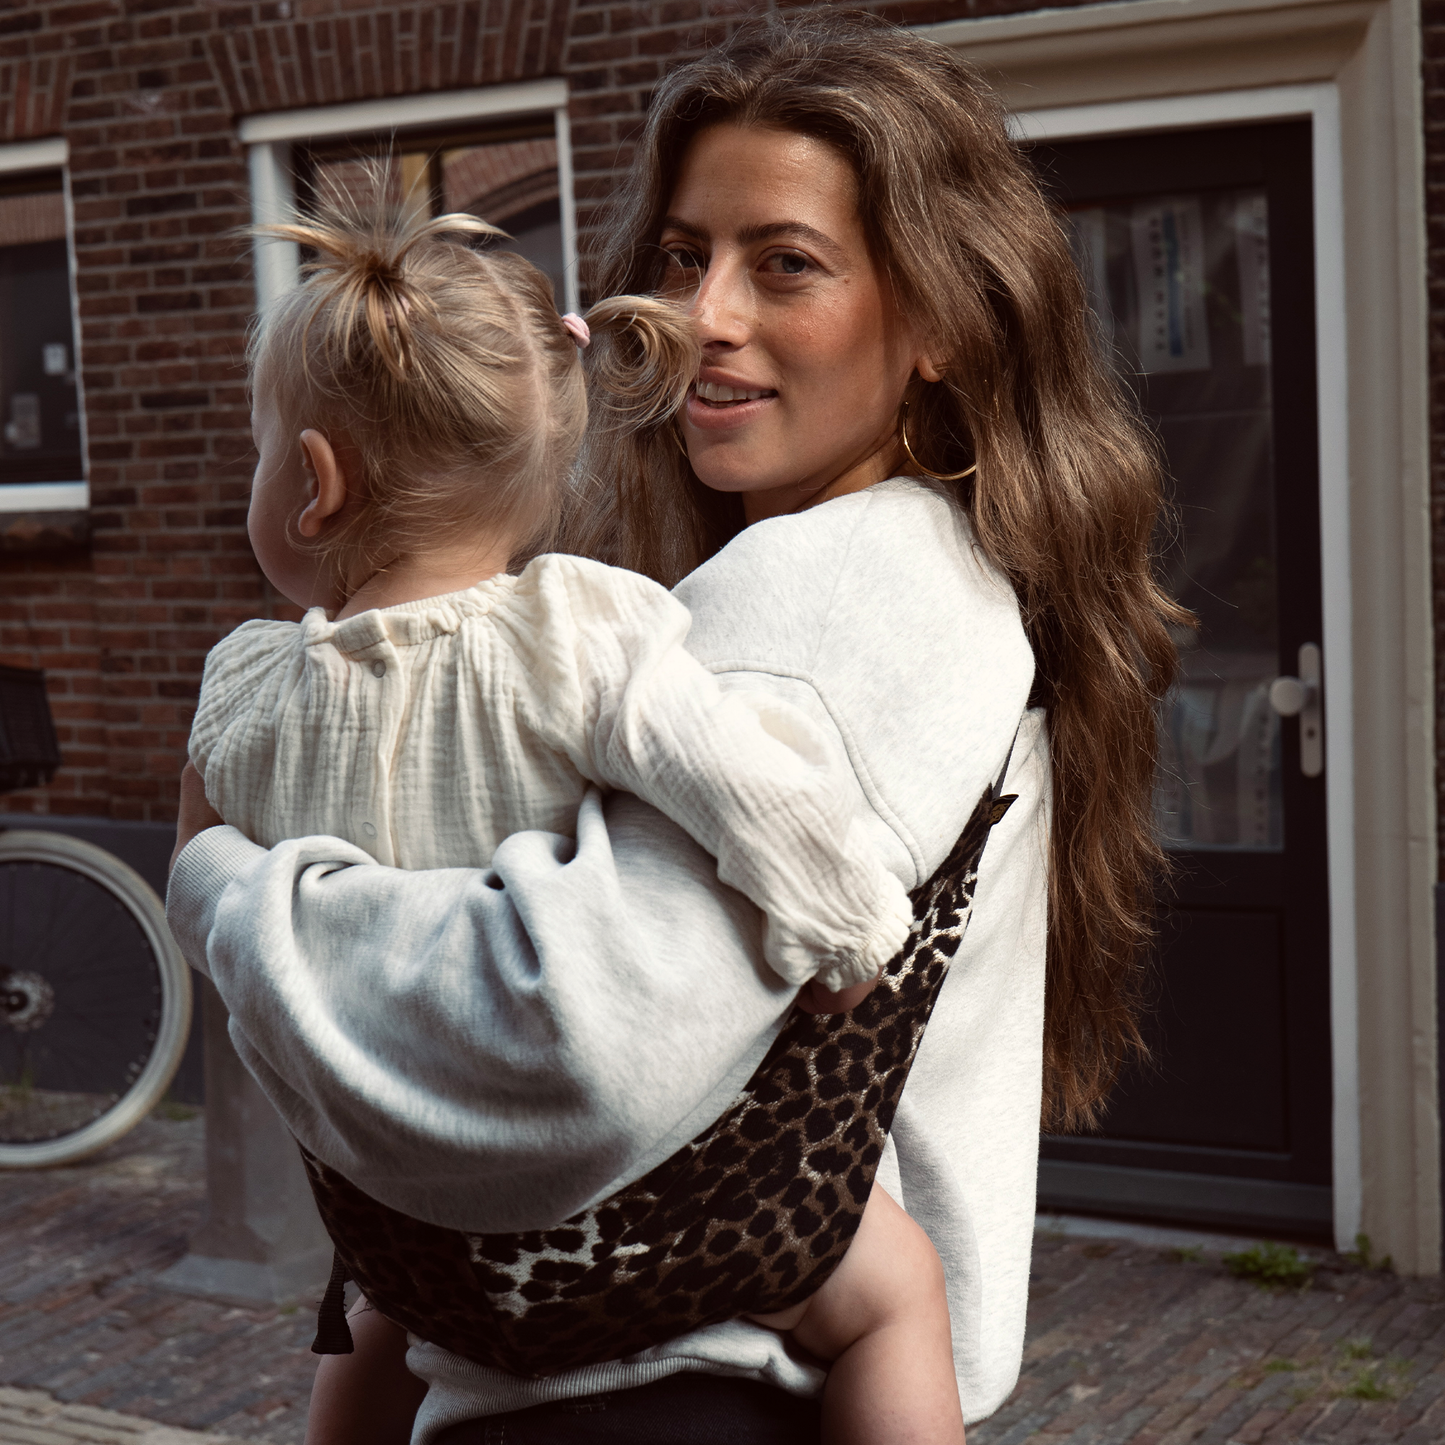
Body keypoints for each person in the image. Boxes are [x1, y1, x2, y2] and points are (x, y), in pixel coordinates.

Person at [167, 10, 1184, 1442]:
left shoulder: (831, 592)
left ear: (945, 319)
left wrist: (221, 889)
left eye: (786, 264)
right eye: (682, 255)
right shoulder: (775, 583)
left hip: (668, 1396)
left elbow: (564, 1047)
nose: (707, 314)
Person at [185, 189, 975, 1444]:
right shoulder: (582, 628)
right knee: (895, 1289)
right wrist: (846, 931)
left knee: (385, 1316)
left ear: (313, 484)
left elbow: (205, 874)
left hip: (394, 1193)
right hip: (615, 1200)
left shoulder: (241, 685)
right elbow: (742, 785)